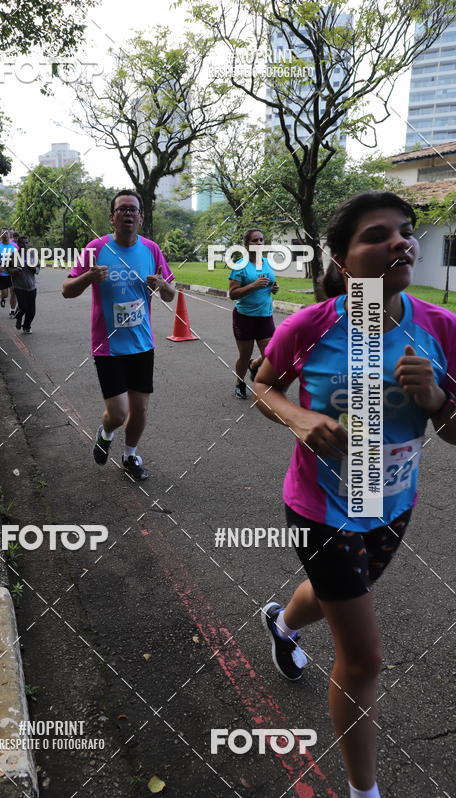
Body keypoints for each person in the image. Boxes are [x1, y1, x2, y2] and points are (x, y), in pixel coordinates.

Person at [252, 191, 456, 798]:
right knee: (364, 658)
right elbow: (262, 385)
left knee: (344, 593)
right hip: (321, 506)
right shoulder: (310, 326)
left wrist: (438, 402)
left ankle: (281, 622)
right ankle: (364, 791)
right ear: (342, 260)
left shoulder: (442, 328)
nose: (400, 242)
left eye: (405, 231)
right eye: (377, 235)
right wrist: (296, 417)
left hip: (393, 502)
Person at [62, 189, 176, 480]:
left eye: (133, 209)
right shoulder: (95, 249)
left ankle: (130, 455)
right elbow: (67, 289)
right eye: (122, 209)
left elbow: (171, 295)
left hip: (142, 344)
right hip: (108, 346)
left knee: (140, 410)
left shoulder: (151, 250)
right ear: (112, 217)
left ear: (140, 217)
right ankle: (106, 431)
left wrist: (162, 284)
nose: (128, 213)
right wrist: (89, 276)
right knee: (118, 413)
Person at [228, 228, 278, 399]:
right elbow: (233, 294)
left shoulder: (267, 262)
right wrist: (253, 286)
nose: (258, 243)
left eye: (261, 240)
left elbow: (271, 283)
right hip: (245, 317)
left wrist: (273, 288)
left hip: (265, 316)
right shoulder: (240, 266)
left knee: (270, 354)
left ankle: (255, 365)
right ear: (247, 244)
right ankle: (240, 383)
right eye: (254, 240)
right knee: (244, 355)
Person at [8, 234, 38, 333]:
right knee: (24, 307)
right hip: (19, 286)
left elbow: (37, 268)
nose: (25, 245)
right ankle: (19, 316)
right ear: (18, 244)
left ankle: (26, 326)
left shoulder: (32, 254)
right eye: (22, 243)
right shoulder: (13, 255)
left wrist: (33, 268)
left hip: (31, 286)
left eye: (26, 242)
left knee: (32, 311)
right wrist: (14, 271)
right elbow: (7, 269)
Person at [0, 228, 18, 315]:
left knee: (13, 292)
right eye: (2, 233)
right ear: (0, 234)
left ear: (10, 235)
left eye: (6, 233)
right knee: (5, 293)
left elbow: (19, 259)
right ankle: (3, 298)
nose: (4, 235)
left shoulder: (15, 246)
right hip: (2, 273)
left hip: (13, 273)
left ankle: (12, 310)